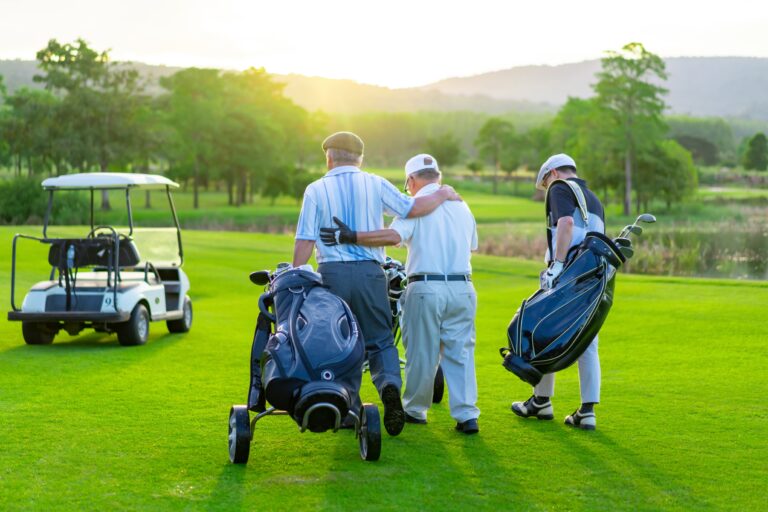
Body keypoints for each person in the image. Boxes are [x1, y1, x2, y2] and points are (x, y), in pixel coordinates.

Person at [293, 133, 461, 437]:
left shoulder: (316, 189)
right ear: (360, 159)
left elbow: (305, 238)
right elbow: (413, 209)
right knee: (381, 340)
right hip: (371, 274)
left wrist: (295, 275)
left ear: (329, 158)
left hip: (332, 275)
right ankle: (388, 388)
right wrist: (443, 194)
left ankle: (350, 408)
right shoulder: (374, 182)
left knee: (341, 341)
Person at [511, 154, 605, 430]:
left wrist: (557, 265)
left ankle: (541, 401)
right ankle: (586, 411)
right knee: (586, 339)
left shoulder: (560, 187)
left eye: (545, 182)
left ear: (552, 173)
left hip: (567, 272)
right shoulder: (594, 197)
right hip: (591, 277)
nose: (546, 189)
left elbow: (565, 224)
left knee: (542, 331)